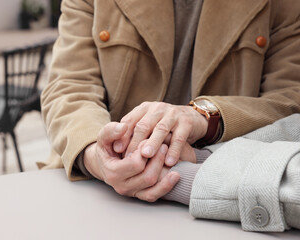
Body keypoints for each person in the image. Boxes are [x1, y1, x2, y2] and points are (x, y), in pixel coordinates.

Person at [40, 0, 300, 225]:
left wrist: (206, 117)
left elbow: (291, 98)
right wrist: (97, 154)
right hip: (94, 193)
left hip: (224, 193)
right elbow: (69, 86)